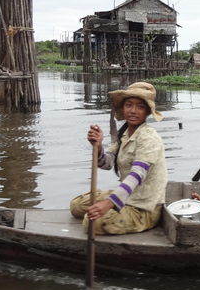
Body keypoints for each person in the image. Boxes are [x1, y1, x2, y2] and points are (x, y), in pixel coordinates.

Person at [70, 82, 167, 234]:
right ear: (123, 108)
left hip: (143, 207)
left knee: (91, 222)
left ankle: (111, 205)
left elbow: (137, 175)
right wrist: (98, 146)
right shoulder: (124, 135)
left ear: (148, 112)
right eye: (129, 105)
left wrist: (109, 203)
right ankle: (109, 202)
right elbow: (106, 163)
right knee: (76, 206)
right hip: (125, 197)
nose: (133, 111)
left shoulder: (150, 138)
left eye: (140, 107)